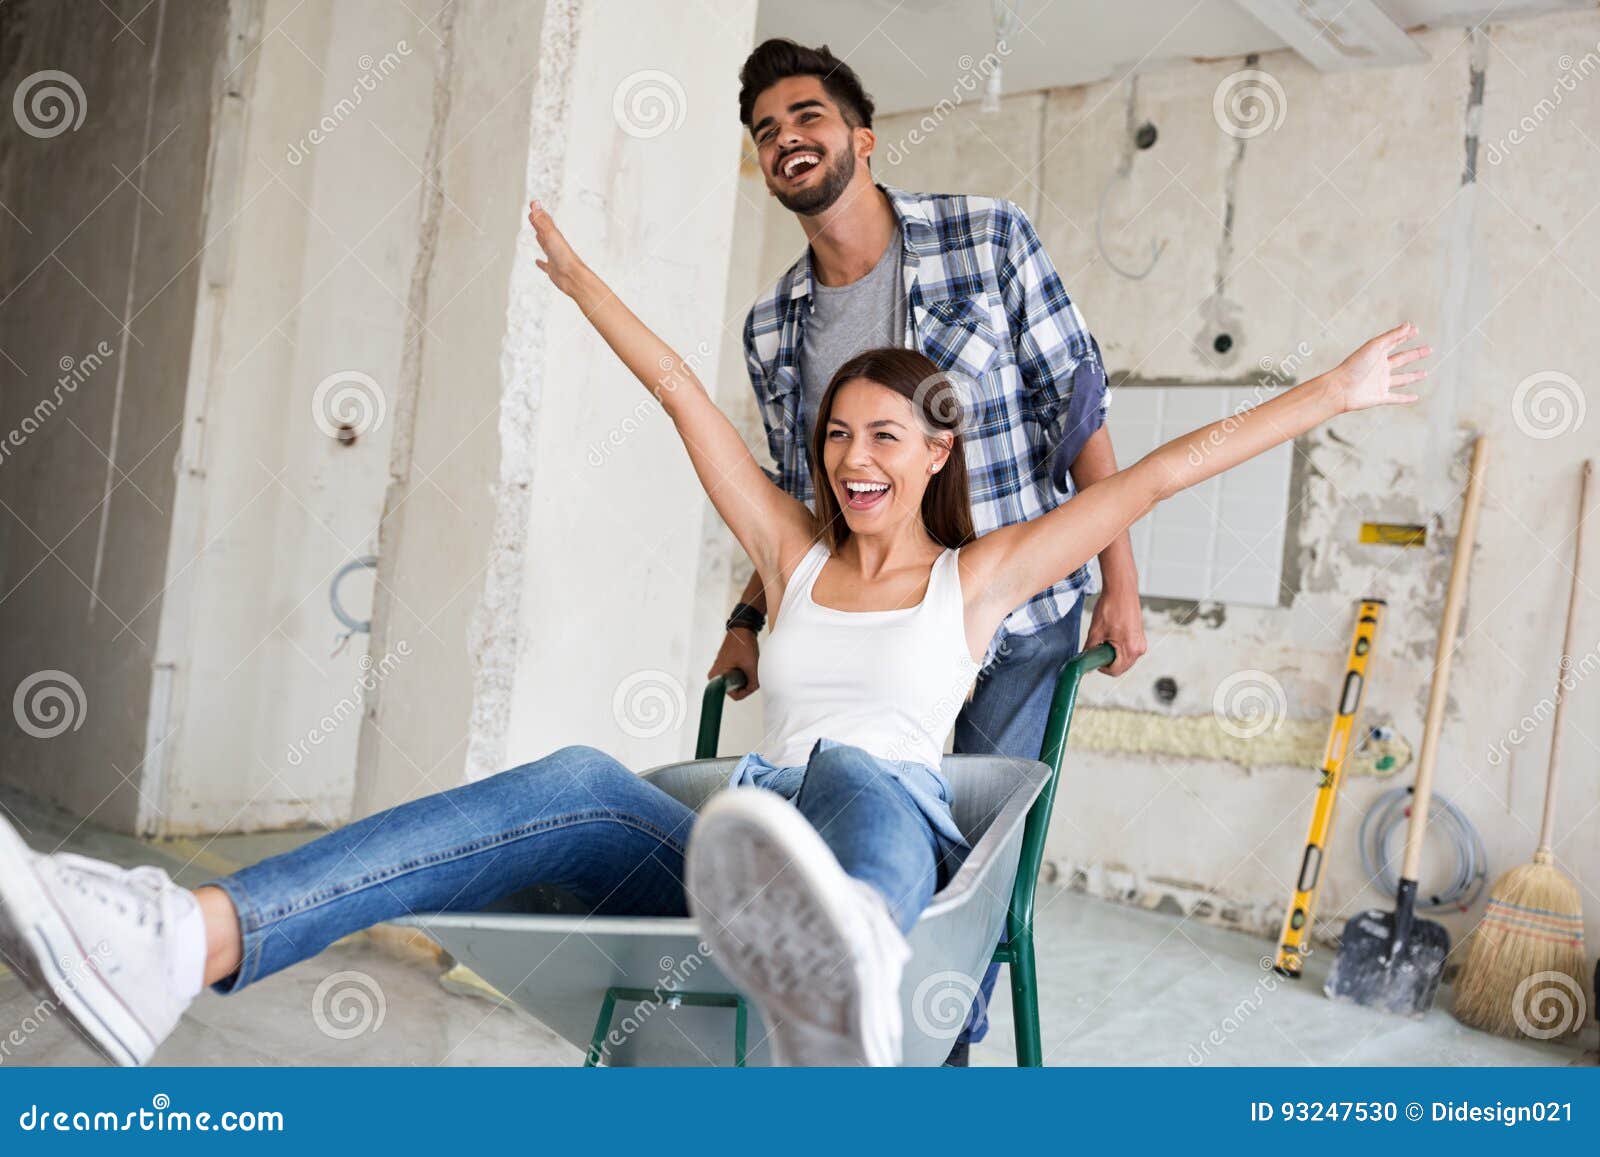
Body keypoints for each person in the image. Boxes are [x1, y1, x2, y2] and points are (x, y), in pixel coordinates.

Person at [0, 198, 1428, 1069]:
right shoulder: (791, 553)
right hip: (739, 840)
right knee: (575, 775)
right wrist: (578, 283)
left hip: (885, 827)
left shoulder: (979, 579)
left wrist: (1336, 391)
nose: (854, 455)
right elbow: (684, 389)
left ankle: (848, 990)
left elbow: (1160, 473)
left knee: (859, 774)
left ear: (934, 455)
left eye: (885, 436)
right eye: (837, 434)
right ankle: (182, 935)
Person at [715, 40, 1149, 1060]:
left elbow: (1075, 401)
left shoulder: (984, 238)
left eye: (807, 116)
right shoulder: (774, 324)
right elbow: (798, 492)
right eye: (767, 130)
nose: (788, 140)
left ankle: (937, 1051)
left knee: (976, 863)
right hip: (872, 622)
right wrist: (749, 616)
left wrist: (1118, 579)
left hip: (1009, 616)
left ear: (860, 138)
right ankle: (844, 1029)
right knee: (863, 823)